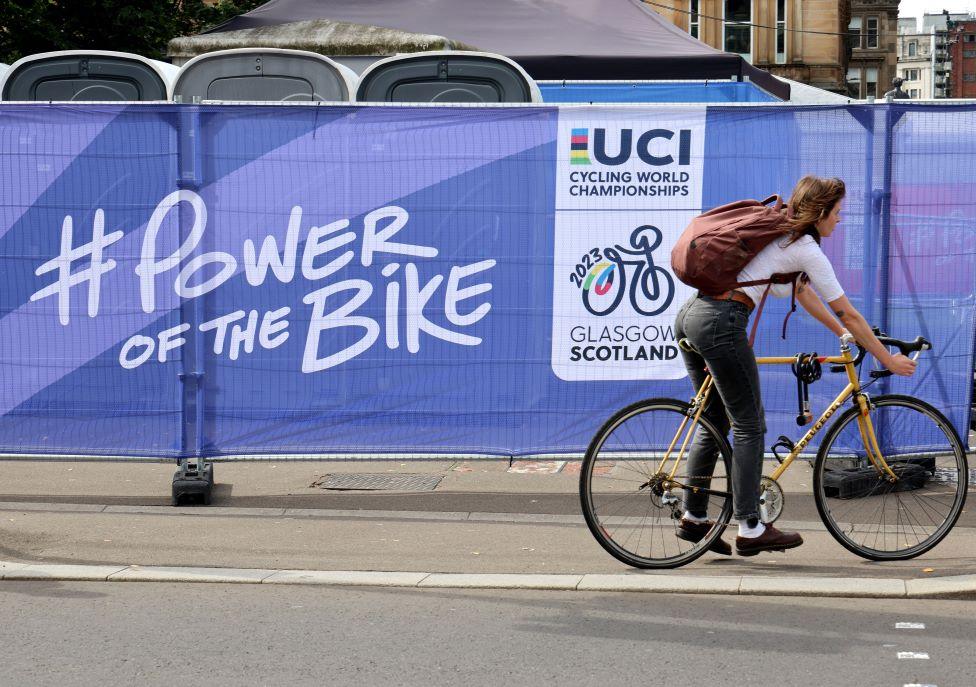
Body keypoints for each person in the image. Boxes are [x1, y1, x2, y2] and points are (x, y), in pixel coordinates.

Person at [673, 176, 917, 557]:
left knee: (714, 420)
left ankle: (695, 517)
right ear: (820, 213)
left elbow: (804, 292)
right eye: (837, 213)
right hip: (721, 322)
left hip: (692, 315)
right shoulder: (803, 247)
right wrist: (887, 359)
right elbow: (849, 312)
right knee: (750, 425)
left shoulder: (778, 229)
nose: (840, 220)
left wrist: (843, 334)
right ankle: (751, 526)